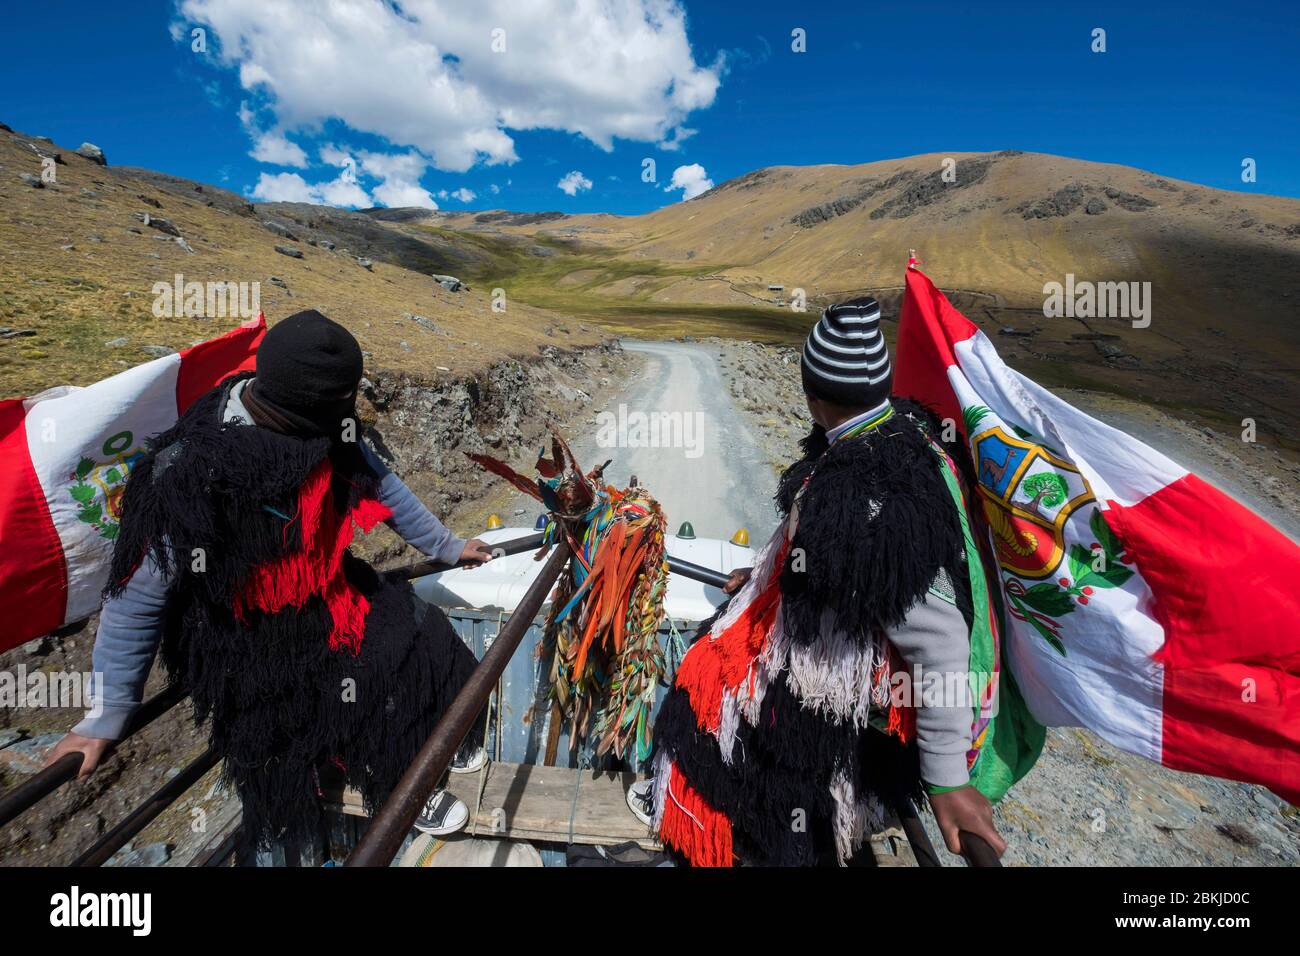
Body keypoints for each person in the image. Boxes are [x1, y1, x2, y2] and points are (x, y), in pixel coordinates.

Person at [47, 310, 491, 848]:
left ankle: (439, 744)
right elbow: (136, 599)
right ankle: (403, 786)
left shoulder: (323, 425)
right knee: (358, 689)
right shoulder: (187, 475)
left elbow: (382, 484)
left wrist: (446, 547)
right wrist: (106, 715)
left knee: (423, 629)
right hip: (247, 636)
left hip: (323, 588)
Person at [640, 297, 1007, 866]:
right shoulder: (899, 432)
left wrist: (946, 777)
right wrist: (771, 575)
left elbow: (939, 640)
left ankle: (733, 832)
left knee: (704, 689)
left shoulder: (867, 497)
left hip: (828, 706)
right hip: (838, 671)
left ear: (814, 397)